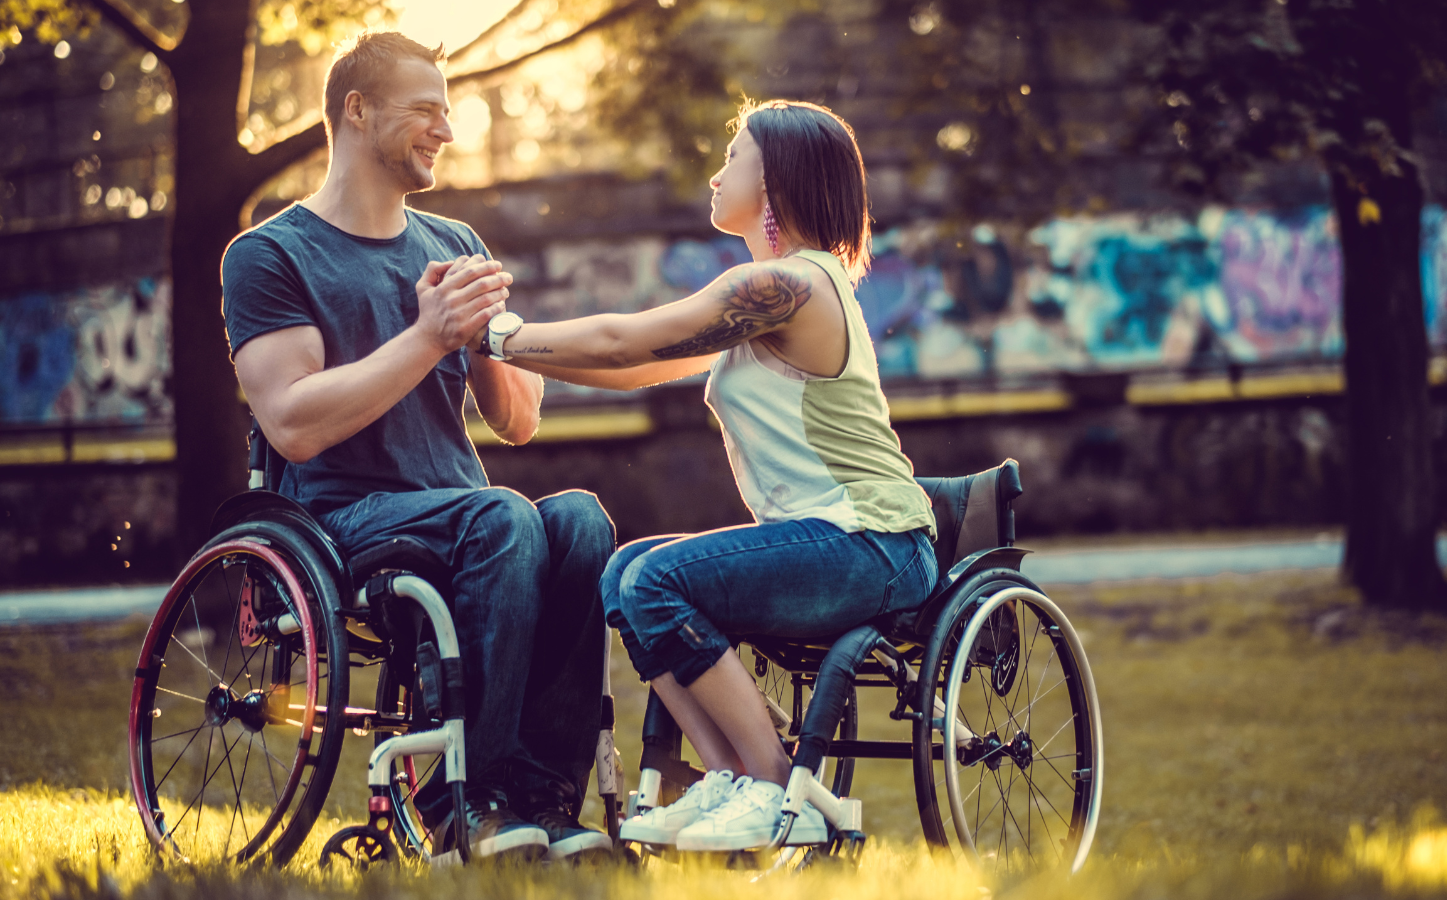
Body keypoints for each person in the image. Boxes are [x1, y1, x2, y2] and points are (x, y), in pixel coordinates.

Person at [487, 99, 939, 852]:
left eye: (734, 155)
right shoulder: (765, 299)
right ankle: (731, 774)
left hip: (874, 542)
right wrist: (503, 351)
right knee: (624, 571)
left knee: (658, 579)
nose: (715, 171)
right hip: (833, 541)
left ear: (775, 179)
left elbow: (621, 338)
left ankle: (771, 780)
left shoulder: (785, 288)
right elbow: (632, 365)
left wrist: (492, 331)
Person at [219, 31, 614, 864]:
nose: (446, 129)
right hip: (340, 523)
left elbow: (518, 423)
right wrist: (429, 337)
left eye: (449, 110)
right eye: (427, 110)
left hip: (465, 513)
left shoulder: (456, 244)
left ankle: (544, 800)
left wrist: (482, 341)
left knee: (578, 519)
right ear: (357, 111)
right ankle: (465, 803)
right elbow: (291, 419)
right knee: (504, 519)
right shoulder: (269, 254)